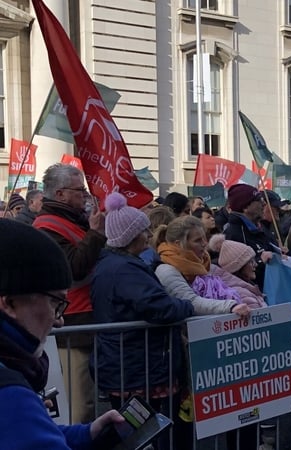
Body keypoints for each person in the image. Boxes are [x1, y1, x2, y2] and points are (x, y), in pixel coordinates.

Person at [0, 219, 126, 449]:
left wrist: (86, 434)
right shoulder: (10, 396)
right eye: (55, 302)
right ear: (9, 303)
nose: (59, 320)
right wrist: (25, 411)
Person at [90, 193, 195, 449]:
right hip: (140, 368)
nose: (149, 236)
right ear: (130, 236)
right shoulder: (124, 269)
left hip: (130, 364)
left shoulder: (113, 264)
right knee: (143, 434)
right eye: (143, 231)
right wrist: (188, 305)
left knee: (135, 433)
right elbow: (159, 307)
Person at [34, 163, 105, 423]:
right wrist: (96, 234)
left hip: (82, 320)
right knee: (79, 404)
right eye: (80, 191)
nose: (85, 196)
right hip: (72, 322)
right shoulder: (48, 226)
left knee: (84, 400)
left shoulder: (71, 221)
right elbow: (73, 268)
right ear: (60, 194)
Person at [154, 216, 250, 316]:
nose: (204, 244)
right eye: (197, 240)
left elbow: (235, 284)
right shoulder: (166, 270)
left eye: (204, 238)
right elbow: (192, 302)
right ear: (179, 244)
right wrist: (230, 306)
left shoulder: (204, 264)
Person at [224, 184, 278, 291]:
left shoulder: (261, 228)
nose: (264, 203)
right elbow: (233, 272)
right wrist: (260, 261)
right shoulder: (234, 234)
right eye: (258, 200)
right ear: (245, 207)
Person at [206, 235, 265, 308]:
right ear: (239, 267)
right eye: (250, 262)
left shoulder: (244, 287)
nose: (256, 264)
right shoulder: (242, 294)